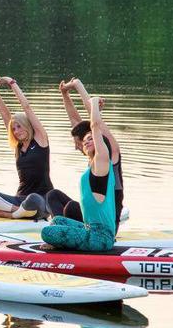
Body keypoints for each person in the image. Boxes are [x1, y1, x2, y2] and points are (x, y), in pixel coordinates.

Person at [40, 96, 116, 252]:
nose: (86, 142)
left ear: (101, 145)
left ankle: (61, 246)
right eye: (85, 140)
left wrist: (93, 102)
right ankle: (62, 244)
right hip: (90, 230)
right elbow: (82, 126)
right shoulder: (91, 165)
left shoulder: (102, 161)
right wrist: (95, 110)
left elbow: (95, 126)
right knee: (57, 221)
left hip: (100, 237)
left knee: (46, 232)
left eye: (91, 139)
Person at [0, 76, 51, 218]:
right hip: (19, 200)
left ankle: (12, 213)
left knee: (32, 199)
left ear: (27, 125)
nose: (16, 131)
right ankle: (16, 211)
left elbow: (26, 106)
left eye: (19, 126)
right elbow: (4, 113)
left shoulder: (40, 139)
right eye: (13, 129)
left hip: (40, 200)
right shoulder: (18, 146)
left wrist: (12, 83)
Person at [48, 78, 125, 227]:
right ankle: (62, 228)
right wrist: (65, 93)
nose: (77, 147)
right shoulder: (91, 152)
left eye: (78, 143)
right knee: (53, 195)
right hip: (92, 216)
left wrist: (77, 85)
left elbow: (95, 120)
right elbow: (74, 119)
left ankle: (66, 230)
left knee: (70, 208)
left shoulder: (110, 153)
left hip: (106, 221)